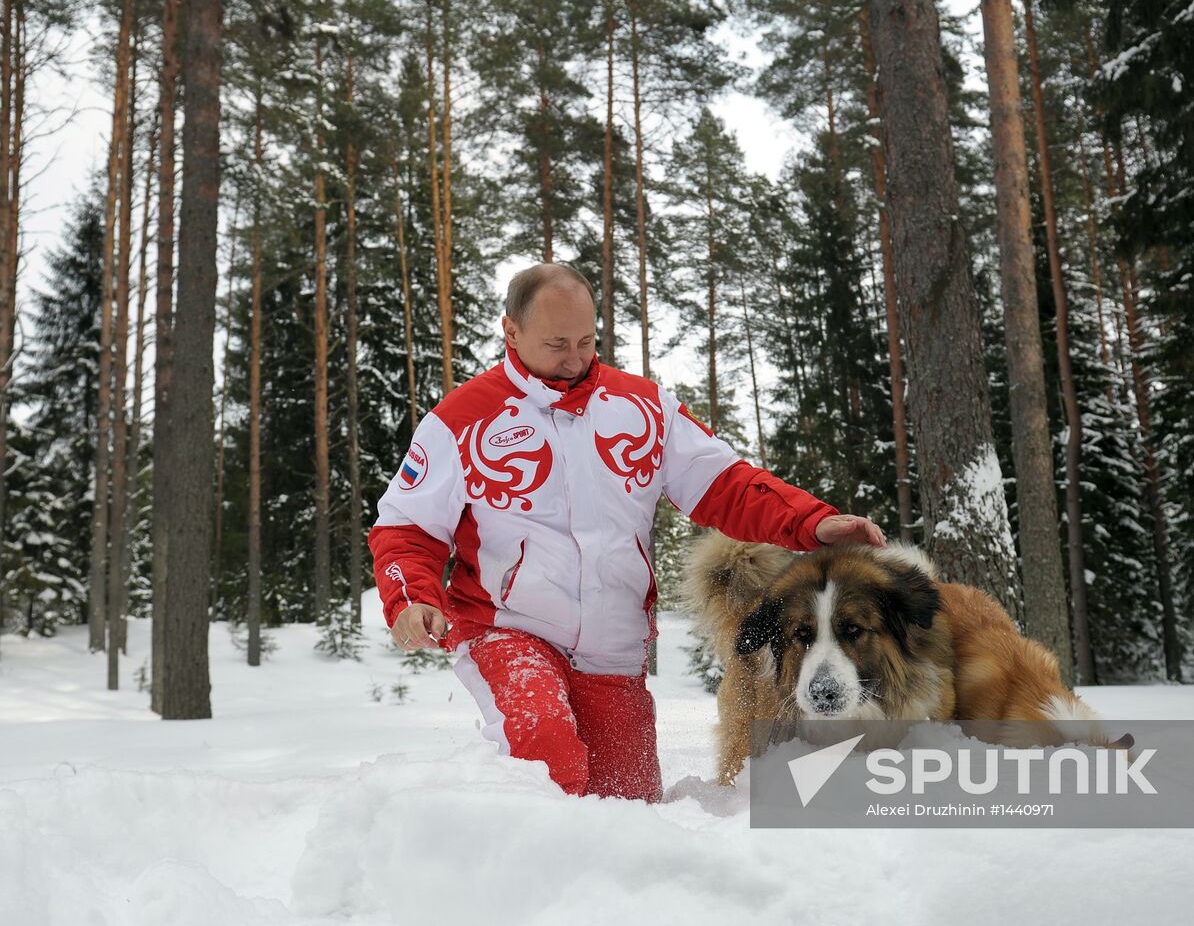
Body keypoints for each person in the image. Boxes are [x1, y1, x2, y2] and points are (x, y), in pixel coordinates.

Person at [367, 262, 886, 802]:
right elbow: (406, 527)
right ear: (511, 332)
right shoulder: (461, 420)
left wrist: (813, 522)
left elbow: (725, 484)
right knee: (546, 758)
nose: (575, 359)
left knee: (629, 806)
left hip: (613, 648)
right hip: (508, 630)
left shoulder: (642, 407)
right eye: (557, 343)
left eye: (587, 341)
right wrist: (409, 597)